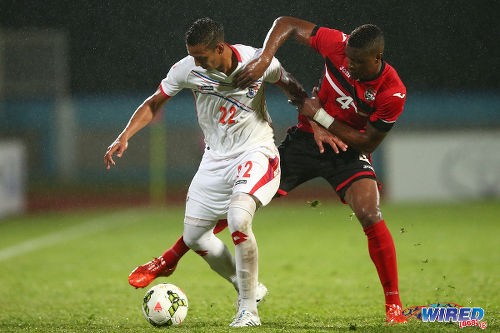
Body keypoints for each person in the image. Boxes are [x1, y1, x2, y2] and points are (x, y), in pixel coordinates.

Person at [129, 16, 408, 325]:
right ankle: (172, 257)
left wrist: (322, 117)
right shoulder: (338, 45)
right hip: (304, 141)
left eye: (357, 63)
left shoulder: (392, 91)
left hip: (348, 151)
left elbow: (369, 141)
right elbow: (286, 23)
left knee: (370, 212)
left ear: (377, 58)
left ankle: (393, 306)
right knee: (239, 205)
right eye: (348, 60)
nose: (349, 66)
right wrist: (264, 59)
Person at [104, 17, 309, 327]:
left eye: (202, 56)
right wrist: (124, 135)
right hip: (214, 160)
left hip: (255, 152)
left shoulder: (257, 61)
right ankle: (249, 287)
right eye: (193, 56)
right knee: (196, 237)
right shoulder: (188, 68)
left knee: (239, 220)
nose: (197, 62)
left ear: (220, 47)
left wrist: (312, 121)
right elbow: (155, 102)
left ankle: (247, 310)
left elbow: (291, 85)